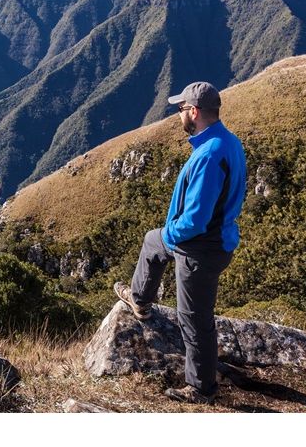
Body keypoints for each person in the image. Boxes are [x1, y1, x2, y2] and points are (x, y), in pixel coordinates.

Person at [114, 81, 247, 405]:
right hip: (214, 239)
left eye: (181, 109)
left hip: (199, 248)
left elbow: (196, 220)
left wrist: (173, 233)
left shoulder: (209, 155)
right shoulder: (228, 142)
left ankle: (202, 389)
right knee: (152, 242)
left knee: (194, 318)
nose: (178, 115)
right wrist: (169, 234)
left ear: (194, 111)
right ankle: (140, 300)